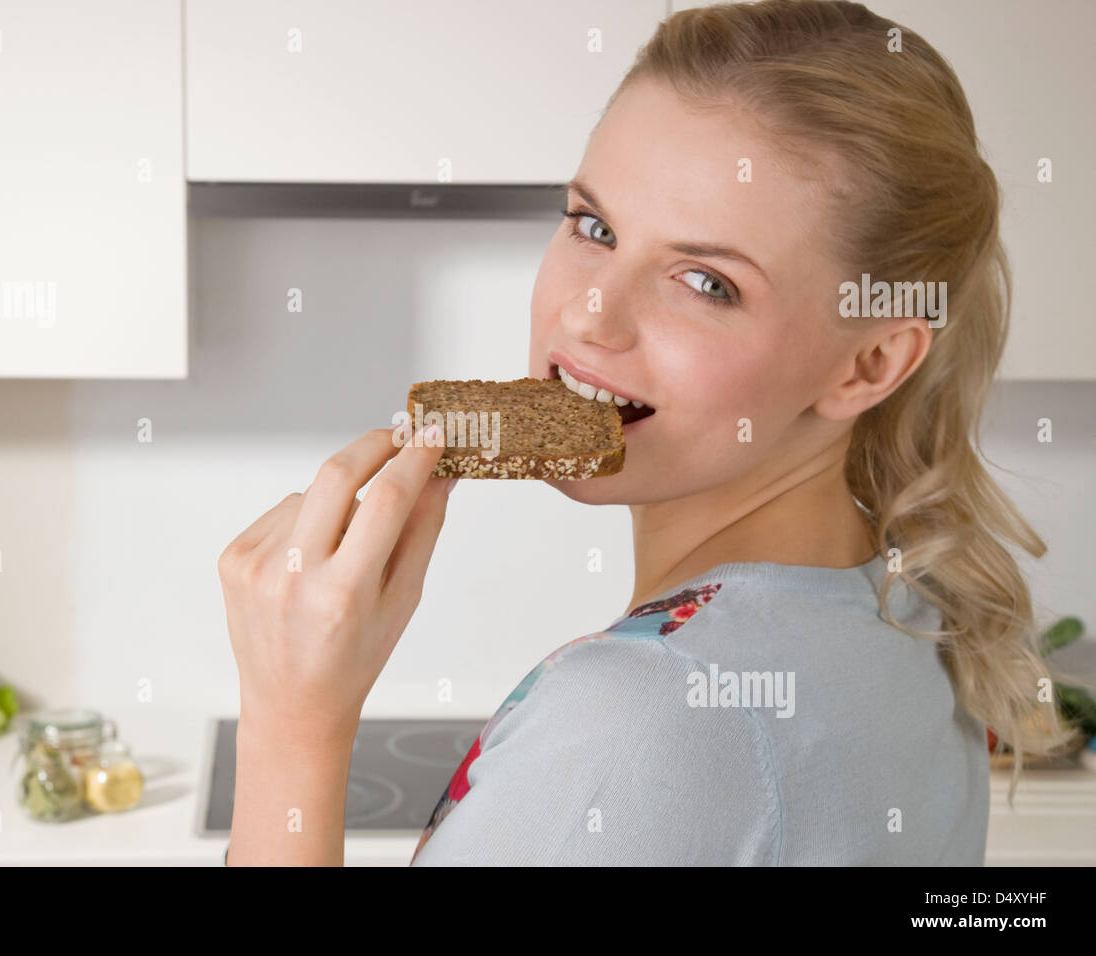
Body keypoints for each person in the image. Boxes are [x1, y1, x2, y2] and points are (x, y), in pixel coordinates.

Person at [216, 0, 1078, 866]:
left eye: (705, 282)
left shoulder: (637, 720)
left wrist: (291, 723)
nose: (590, 316)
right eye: (594, 227)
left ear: (868, 363)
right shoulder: (915, 612)